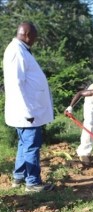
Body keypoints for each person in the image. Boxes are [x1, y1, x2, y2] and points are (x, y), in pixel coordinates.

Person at [3, 22, 54, 192]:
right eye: (34, 37)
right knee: (31, 145)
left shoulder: (20, 49)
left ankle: (18, 177)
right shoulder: (16, 51)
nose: (35, 40)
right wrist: (27, 111)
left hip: (27, 109)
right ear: (27, 34)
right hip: (26, 110)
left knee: (24, 144)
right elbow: (16, 84)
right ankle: (32, 183)